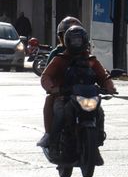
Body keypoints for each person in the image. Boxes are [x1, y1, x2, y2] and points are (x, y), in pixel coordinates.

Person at [40, 25, 116, 162]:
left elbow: (103, 76)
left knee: (99, 113)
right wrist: (53, 88)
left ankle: (96, 145)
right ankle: (54, 145)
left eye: (79, 40)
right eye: (74, 40)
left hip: (87, 96)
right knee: (60, 114)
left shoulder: (91, 60)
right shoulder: (60, 59)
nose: (77, 43)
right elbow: (46, 76)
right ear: (67, 41)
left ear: (85, 41)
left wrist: (109, 87)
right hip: (65, 97)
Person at [35, 16, 82, 148]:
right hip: (61, 94)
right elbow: (47, 75)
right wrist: (52, 88)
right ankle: (49, 135)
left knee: (98, 110)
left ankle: (96, 138)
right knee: (53, 104)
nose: (74, 40)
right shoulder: (57, 55)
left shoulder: (86, 54)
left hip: (82, 93)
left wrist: (107, 84)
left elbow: (98, 70)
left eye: (77, 37)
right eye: (68, 36)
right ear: (62, 37)